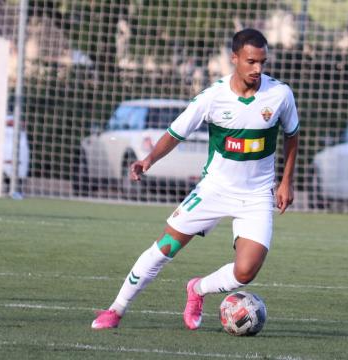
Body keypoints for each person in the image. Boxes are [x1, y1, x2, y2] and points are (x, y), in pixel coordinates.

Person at [91, 28, 300, 330]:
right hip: (213, 190)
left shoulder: (279, 94)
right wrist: (148, 160)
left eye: (262, 63)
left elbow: (292, 135)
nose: (258, 69)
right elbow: (176, 133)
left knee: (246, 271)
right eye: (251, 62)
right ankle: (116, 309)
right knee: (164, 247)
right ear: (235, 58)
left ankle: (197, 290)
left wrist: (286, 181)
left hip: (255, 195)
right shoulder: (212, 97)